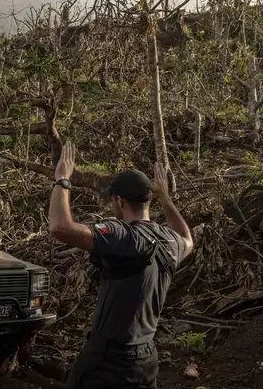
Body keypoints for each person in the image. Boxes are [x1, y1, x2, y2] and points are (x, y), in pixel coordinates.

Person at [48, 141, 194, 389]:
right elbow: (189, 241)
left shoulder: (124, 235)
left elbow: (59, 227)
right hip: (146, 357)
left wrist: (62, 179)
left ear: (120, 201)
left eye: (112, 200)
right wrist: (166, 199)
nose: (111, 205)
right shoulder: (170, 241)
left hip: (110, 360)